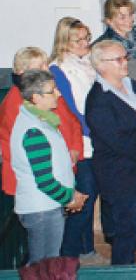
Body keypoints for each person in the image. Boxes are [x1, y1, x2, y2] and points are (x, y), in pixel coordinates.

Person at [85, 40, 136, 265]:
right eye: (118, 59)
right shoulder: (98, 100)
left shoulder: (131, 85)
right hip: (120, 173)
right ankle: (122, 271)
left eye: (125, 57)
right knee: (126, 231)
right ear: (101, 65)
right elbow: (118, 142)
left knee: (132, 227)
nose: (125, 63)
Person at [10, 70, 88, 265]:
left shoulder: (40, 120)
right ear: (36, 97)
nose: (58, 94)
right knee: (42, 265)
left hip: (47, 205)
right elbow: (44, 180)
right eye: (52, 91)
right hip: (42, 209)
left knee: (45, 263)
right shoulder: (33, 130)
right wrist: (69, 198)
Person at [48, 19, 104, 262]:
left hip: (95, 135)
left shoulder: (87, 63)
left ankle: (86, 249)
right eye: (78, 40)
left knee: (91, 198)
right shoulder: (58, 69)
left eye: (86, 38)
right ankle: (68, 255)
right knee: (83, 196)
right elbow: (69, 109)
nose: (85, 43)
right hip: (79, 140)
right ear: (64, 42)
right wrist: (91, 130)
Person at [2, 48, 81, 204]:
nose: (47, 69)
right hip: (37, 181)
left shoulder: (49, 92)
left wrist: (74, 147)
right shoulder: (17, 101)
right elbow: (23, 148)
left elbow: (73, 121)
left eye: (46, 64)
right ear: (22, 72)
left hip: (63, 166)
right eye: (40, 66)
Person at [93, 0, 136, 99]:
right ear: (109, 21)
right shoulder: (103, 47)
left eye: (130, 15)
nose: (129, 20)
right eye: (122, 17)